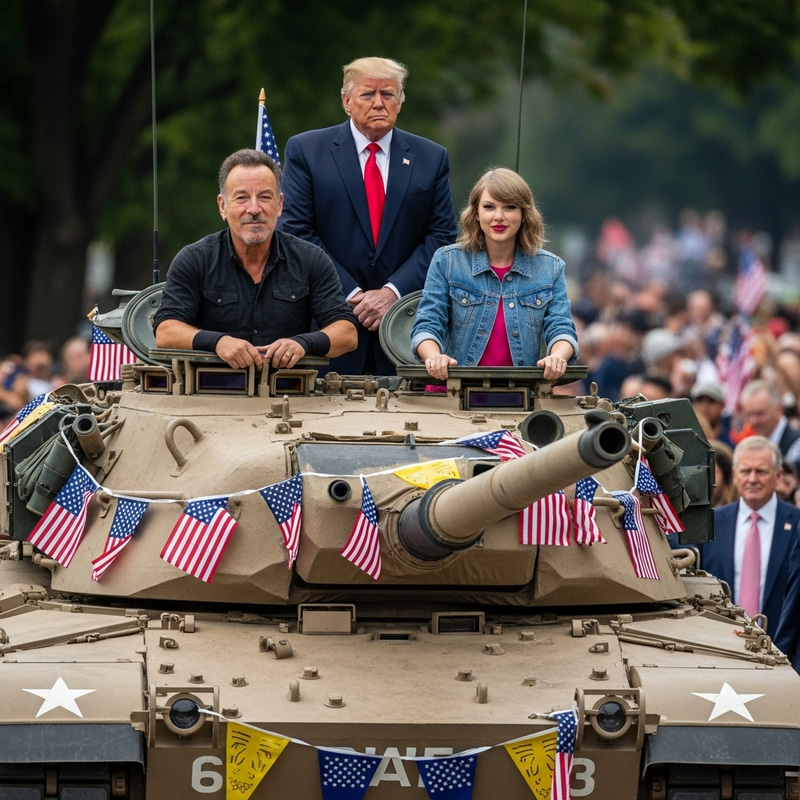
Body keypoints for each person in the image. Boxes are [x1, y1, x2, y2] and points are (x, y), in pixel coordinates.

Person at [279, 56, 457, 376]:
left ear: (400, 102)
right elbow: (296, 231)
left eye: (388, 94)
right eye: (367, 95)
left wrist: (392, 292)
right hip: (328, 326)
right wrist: (353, 294)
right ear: (346, 101)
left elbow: (441, 237)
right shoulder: (307, 151)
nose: (379, 103)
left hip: (404, 332)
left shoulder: (431, 158)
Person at [154, 149, 358, 369]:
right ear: (223, 206)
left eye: (265, 197)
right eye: (241, 198)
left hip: (290, 394)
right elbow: (165, 331)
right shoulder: (194, 259)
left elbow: (347, 333)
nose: (253, 209)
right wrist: (217, 342)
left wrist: (303, 343)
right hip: (210, 394)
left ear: (279, 205)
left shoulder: (311, 259)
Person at [410, 167, 578, 381]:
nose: (499, 216)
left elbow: (561, 327)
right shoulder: (447, 261)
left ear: (524, 214)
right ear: (476, 213)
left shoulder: (551, 267)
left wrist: (557, 357)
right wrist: (434, 357)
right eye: (489, 207)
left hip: (523, 394)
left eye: (510, 207)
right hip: (453, 393)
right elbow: (428, 323)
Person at [694, 436, 800, 630]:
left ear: (778, 475)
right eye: (745, 471)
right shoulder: (712, 523)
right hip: (721, 643)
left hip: (781, 647)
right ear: (735, 475)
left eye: (761, 472)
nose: (752, 479)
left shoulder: (796, 523)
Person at [738, 379, 800, 471]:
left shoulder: (796, 445)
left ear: (779, 409)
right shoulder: (748, 443)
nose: (753, 421)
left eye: (760, 414)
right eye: (749, 415)